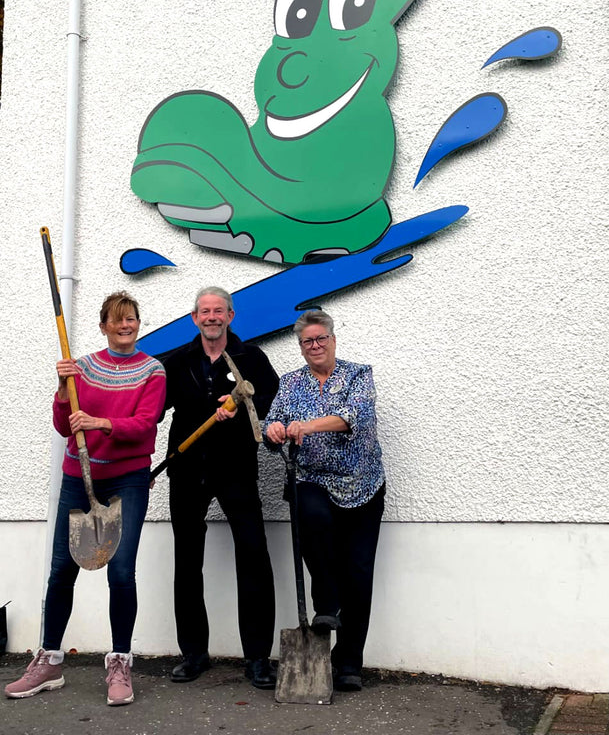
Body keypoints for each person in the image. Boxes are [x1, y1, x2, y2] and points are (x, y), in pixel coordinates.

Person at [5, 291, 166, 706]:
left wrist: (100, 422)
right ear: (104, 327)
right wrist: (63, 389)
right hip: (80, 478)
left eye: (131, 319)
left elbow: (145, 426)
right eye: (117, 321)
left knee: (121, 572)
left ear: (137, 323)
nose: (125, 326)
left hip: (127, 480)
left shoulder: (153, 371)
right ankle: (50, 661)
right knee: (61, 571)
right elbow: (64, 427)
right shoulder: (83, 368)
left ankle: (120, 663)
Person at [163, 286, 278, 689]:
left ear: (230, 316)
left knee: (253, 554)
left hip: (236, 467)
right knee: (187, 558)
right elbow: (150, 408)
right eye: (204, 311)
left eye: (219, 311)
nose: (211, 317)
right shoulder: (178, 362)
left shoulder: (252, 359)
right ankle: (193, 652)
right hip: (187, 466)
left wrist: (244, 406)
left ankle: (258, 657)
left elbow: (270, 400)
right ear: (194, 318)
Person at [264, 309, 385, 692]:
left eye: (320, 339)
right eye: (307, 341)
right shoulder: (291, 383)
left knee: (359, 573)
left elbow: (355, 416)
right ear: (300, 348)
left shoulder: (358, 375)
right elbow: (269, 427)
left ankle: (349, 662)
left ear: (333, 340)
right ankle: (326, 602)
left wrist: (307, 425)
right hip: (311, 479)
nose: (314, 346)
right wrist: (275, 430)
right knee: (311, 514)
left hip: (362, 485)